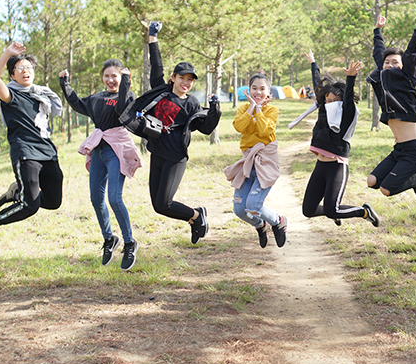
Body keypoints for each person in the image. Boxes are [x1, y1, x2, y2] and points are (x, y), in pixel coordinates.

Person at [122, 21, 221, 244]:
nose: (185, 82)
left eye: (190, 80)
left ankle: (197, 215)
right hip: (157, 152)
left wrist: (214, 110)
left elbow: (205, 129)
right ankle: (194, 218)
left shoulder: (193, 104)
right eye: (182, 78)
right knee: (158, 206)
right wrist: (152, 36)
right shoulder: (161, 90)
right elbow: (156, 64)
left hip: (176, 157)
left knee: (166, 202)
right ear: (173, 78)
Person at [0, 42, 64, 242]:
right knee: (29, 206)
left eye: (29, 68)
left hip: (48, 152)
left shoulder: (40, 95)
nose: (26, 71)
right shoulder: (10, 96)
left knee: (53, 201)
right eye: (20, 68)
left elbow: (42, 124)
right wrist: (8, 53)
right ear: (12, 75)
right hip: (26, 153)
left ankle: (17, 192)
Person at [59, 60, 141, 270]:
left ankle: (130, 242)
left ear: (122, 77)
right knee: (96, 198)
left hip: (116, 149)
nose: (110, 80)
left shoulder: (127, 95)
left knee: (114, 198)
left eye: (115, 76)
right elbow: (77, 103)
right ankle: (109, 239)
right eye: (107, 76)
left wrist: (126, 85)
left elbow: (123, 111)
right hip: (98, 150)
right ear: (102, 78)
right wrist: (64, 83)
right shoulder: (97, 98)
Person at [297, 50, 380, 227]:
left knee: (332, 210)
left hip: (337, 166)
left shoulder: (346, 115)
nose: (331, 103)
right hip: (320, 166)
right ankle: (334, 211)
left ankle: (364, 211)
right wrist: (313, 63)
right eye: (328, 100)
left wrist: (350, 78)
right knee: (308, 210)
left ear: (342, 102)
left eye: (336, 100)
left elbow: (348, 100)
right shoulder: (323, 110)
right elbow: (318, 86)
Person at [366, 8, 416, 202]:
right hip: (399, 149)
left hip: (413, 151)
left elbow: (413, 49)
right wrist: (377, 31)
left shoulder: (406, 77)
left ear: (403, 66)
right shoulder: (383, 79)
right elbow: (378, 53)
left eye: (395, 63)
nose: (390, 65)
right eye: (387, 63)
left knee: (386, 190)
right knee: (372, 181)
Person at [223, 73, 287, 248]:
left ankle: (278, 221)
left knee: (253, 205)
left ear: (268, 92)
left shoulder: (272, 110)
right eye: (254, 88)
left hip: (265, 161)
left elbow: (265, 131)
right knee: (239, 209)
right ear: (248, 90)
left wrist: (259, 109)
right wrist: (252, 106)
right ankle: (260, 225)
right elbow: (239, 126)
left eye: (262, 88)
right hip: (247, 161)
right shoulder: (244, 108)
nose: (258, 91)